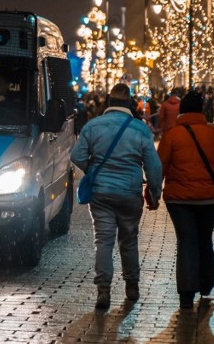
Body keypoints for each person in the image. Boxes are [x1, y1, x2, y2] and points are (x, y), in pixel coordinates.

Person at [70, 83, 163, 310]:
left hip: (101, 192)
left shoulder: (93, 126)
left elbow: (77, 155)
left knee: (103, 241)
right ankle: (132, 286)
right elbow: (153, 166)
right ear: (129, 103)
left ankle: (103, 290)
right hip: (130, 193)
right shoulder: (140, 129)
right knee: (129, 241)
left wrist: (93, 169)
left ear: (109, 103)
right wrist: (154, 192)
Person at [156, 91, 214, 309]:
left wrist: (153, 192)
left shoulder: (172, 135)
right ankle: (206, 284)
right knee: (204, 239)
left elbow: (160, 165)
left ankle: (187, 293)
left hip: (178, 200)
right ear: (202, 110)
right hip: (208, 198)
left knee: (186, 241)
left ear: (182, 110)